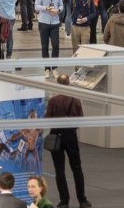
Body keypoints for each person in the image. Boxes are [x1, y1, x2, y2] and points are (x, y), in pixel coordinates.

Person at [45, 74, 90, 207]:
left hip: (56, 135)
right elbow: (81, 118)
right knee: (76, 167)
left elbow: (48, 119)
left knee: (59, 170)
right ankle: (82, 200)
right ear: (69, 83)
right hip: (71, 135)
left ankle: (64, 201)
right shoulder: (76, 100)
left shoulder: (53, 101)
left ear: (57, 84)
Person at [34, 0, 64, 74]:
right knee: (44, 46)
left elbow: (61, 6)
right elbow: (36, 6)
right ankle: (47, 68)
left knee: (56, 45)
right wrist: (45, 8)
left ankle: (54, 67)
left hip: (55, 22)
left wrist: (58, 10)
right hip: (44, 22)